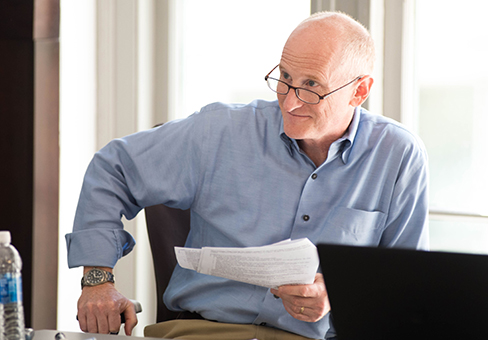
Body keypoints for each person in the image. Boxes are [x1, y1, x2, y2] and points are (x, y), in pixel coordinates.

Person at [65, 11, 429, 340]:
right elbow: (113, 167)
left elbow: (402, 285)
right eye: (285, 77)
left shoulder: (397, 155)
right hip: (204, 332)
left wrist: (338, 296)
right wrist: (97, 280)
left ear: (360, 91)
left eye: (311, 86)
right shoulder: (220, 130)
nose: (289, 102)